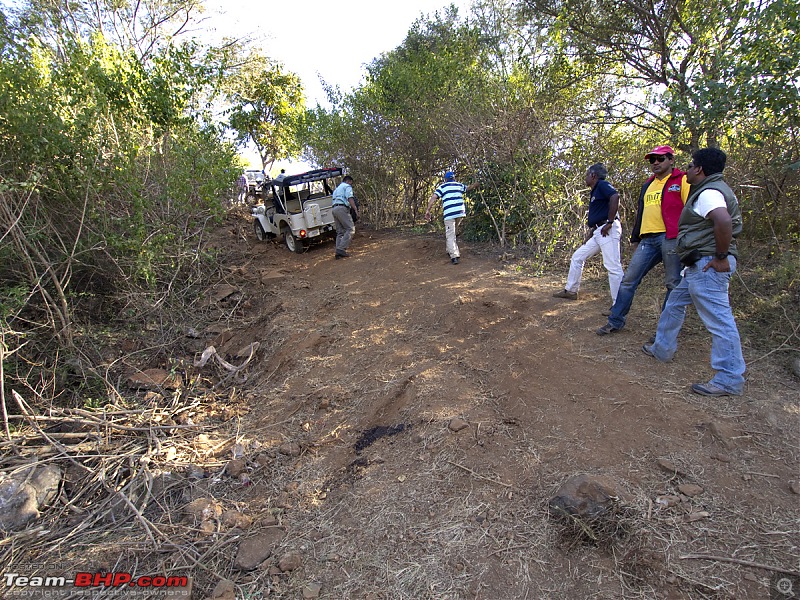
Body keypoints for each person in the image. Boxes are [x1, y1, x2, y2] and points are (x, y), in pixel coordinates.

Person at [642, 148, 745, 397]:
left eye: (690, 165)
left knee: (720, 321)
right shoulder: (713, 189)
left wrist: (720, 258)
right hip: (698, 266)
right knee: (674, 303)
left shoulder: (709, 193)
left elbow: (723, 222)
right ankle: (662, 348)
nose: (686, 169)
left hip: (708, 264)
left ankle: (729, 378)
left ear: (699, 169)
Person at [596, 145, 690, 335]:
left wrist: (687, 238)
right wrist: (635, 237)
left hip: (672, 237)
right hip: (648, 239)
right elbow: (642, 212)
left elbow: (691, 209)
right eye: (652, 160)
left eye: (660, 159)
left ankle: (664, 333)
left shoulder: (683, 180)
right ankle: (615, 320)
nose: (655, 163)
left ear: (671, 160)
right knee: (629, 280)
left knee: (673, 283)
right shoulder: (648, 184)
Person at [552, 163, 624, 303]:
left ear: (593, 175)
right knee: (577, 257)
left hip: (607, 230)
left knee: (613, 267)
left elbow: (615, 196)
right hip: (599, 231)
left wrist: (609, 222)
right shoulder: (596, 190)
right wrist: (591, 232)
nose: (585, 178)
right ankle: (571, 291)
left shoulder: (602, 185)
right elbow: (599, 213)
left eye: (587, 175)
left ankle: (618, 306)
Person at [425, 171, 479, 265]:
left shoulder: (443, 187)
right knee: (452, 232)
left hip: (450, 214)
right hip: (460, 212)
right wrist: (476, 184)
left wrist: (428, 210)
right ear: (454, 178)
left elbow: (434, 197)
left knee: (450, 234)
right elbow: (468, 188)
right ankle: (449, 249)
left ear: (445, 179)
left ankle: (454, 256)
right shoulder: (459, 185)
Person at [331, 175, 359, 259]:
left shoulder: (336, 189)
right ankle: (341, 249)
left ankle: (338, 252)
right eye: (351, 182)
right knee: (351, 229)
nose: (351, 184)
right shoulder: (347, 186)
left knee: (340, 232)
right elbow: (350, 198)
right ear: (348, 181)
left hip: (334, 209)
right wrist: (356, 210)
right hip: (342, 208)